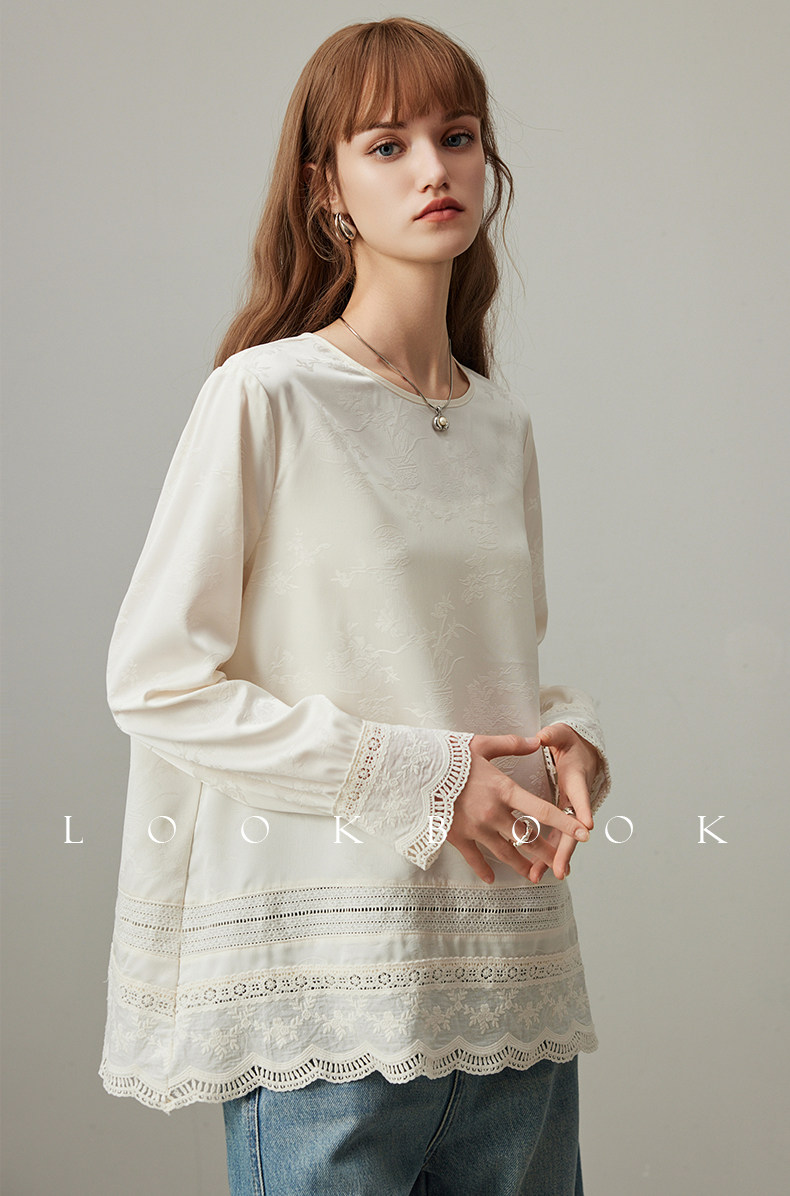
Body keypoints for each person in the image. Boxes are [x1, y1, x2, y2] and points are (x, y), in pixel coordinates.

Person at [99, 16, 610, 1195]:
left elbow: (493, 672)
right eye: (388, 145)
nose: (434, 168)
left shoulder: (499, 422)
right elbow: (157, 682)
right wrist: (427, 779)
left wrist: (569, 741)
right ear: (326, 187)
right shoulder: (265, 396)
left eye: (457, 136)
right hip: (331, 1000)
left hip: (507, 987)